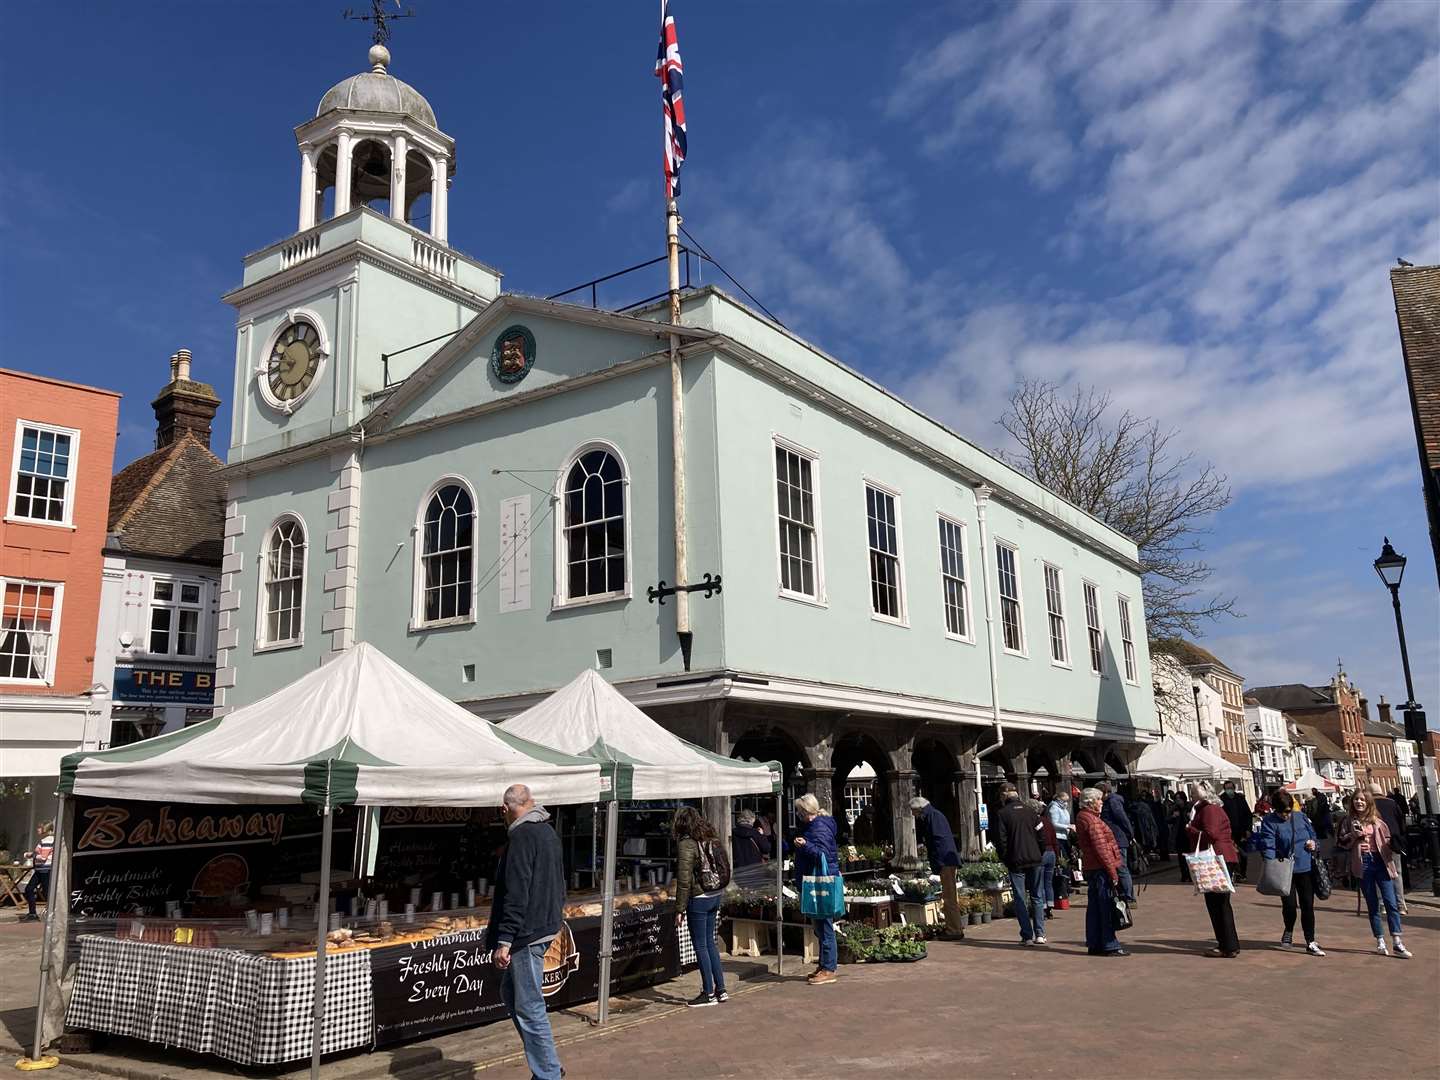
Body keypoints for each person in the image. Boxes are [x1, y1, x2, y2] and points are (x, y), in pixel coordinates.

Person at [486, 784, 565, 1080]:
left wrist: (505, 940)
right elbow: (559, 879)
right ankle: (547, 1062)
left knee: (530, 1006)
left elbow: (516, 893)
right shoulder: (548, 831)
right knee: (511, 993)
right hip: (544, 924)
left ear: (505, 809)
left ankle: (548, 1073)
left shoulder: (520, 837)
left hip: (526, 932)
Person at [1337, 791, 1411, 958]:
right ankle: (1380, 940)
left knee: (1391, 903)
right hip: (1364, 863)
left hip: (1380, 862)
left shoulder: (1378, 822)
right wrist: (1353, 836)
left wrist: (1393, 844)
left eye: (1362, 799)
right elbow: (1341, 842)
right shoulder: (1348, 821)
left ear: (1368, 802)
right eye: (1356, 799)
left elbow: (1388, 839)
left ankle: (1397, 941)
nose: (1359, 802)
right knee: (1372, 905)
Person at [674, 806, 728, 1006]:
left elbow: (684, 879)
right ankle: (720, 989)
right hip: (715, 893)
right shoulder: (710, 837)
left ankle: (708, 993)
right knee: (710, 943)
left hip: (699, 897)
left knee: (701, 946)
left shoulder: (687, 844)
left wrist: (679, 909)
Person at [1259, 789, 1324, 956]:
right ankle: (1288, 929)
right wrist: (1271, 864)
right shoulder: (1269, 821)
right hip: (1284, 869)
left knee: (1307, 905)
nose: (1285, 815)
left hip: (1305, 866)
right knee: (1289, 905)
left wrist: (1313, 844)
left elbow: (1314, 836)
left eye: (1288, 811)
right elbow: (1268, 844)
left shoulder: (1300, 817)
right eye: (1282, 812)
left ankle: (1310, 940)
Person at [1186, 781, 1241, 958]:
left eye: (1194, 792)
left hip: (1217, 857)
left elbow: (1212, 834)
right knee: (1219, 903)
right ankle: (1227, 943)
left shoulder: (1210, 809)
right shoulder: (1210, 808)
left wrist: (1191, 829)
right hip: (1221, 855)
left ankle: (1228, 945)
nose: (1191, 795)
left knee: (1218, 904)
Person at [792, 792, 840, 985]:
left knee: (825, 926)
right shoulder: (815, 826)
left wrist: (804, 846)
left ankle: (829, 968)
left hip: (821, 882)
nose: (796, 814)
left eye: (798, 810)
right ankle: (824, 965)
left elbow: (821, 854)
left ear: (805, 811)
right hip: (816, 881)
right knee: (820, 926)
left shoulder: (818, 828)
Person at [1075, 787, 1127, 956]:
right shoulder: (1091, 820)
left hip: (1093, 867)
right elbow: (1101, 849)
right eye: (1099, 800)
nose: (1101, 802)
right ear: (1091, 802)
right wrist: (1112, 872)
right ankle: (1109, 944)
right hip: (1099, 868)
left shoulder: (1085, 817)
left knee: (1096, 907)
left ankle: (1095, 942)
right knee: (1105, 907)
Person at [993, 783, 1047, 945]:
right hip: (1035, 858)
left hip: (1015, 860)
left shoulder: (1002, 814)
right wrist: (1039, 851)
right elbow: (1041, 835)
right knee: (1037, 896)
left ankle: (1027, 935)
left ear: (1004, 795)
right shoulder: (1031, 811)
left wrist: (1005, 857)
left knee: (1020, 898)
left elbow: (1001, 840)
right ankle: (1040, 933)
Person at [909, 796, 964, 937]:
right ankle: (954, 927)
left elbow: (940, 841)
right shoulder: (933, 816)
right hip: (946, 861)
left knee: (949, 897)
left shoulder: (934, 816)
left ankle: (954, 930)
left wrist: (938, 863)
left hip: (946, 861)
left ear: (919, 809)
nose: (913, 815)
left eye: (913, 811)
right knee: (949, 896)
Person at [1371, 784, 1408, 911]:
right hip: (1393, 842)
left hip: (1377, 843)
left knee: (1379, 874)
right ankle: (1401, 904)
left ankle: (1383, 905)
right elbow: (1402, 822)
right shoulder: (1392, 803)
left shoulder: (1370, 805)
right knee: (1397, 873)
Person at [1099, 781, 1135, 902]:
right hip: (1114, 838)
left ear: (1105, 792)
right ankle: (1124, 894)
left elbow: (1123, 819)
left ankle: (1129, 896)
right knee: (1118, 867)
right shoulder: (1109, 801)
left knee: (1121, 867)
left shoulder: (1113, 801)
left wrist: (1130, 834)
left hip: (1118, 839)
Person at [1031, 799, 1060, 918]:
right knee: (1048, 882)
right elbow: (1054, 839)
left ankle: (1042, 908)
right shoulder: (1047, 822)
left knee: (1040, 883)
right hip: (1051, 852)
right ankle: (1050, 907)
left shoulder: (1034, 822)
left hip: (1041, 853)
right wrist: (1057, 856)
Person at [1220, 781, 1253, 883]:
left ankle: (1242, 873)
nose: (1229, 790)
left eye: (1230, 788)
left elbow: (1248, 814)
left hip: (1242, 831)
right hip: (1229, 833)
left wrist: (1248, 829)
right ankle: (1235, 873)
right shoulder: (1221, 800)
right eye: (1227, 788)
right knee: (1232, 854)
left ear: (1234, 788)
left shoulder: (1240, 799)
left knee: (1243, 855)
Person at [1046, 789, 1075, 903]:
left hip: (1065, 836)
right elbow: (1053, 823)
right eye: (1064, 800)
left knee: (1067, 861)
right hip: (1058, 837)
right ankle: (1062, 885)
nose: (1066, 803)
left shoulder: (1063, 808)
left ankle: (1066, 884)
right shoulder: (1054, 808)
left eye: (1067, 801)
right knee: (1062, 861)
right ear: (1059, 799)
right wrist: (1067, 826)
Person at [21, 823, 53, 923]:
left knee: (46, 893)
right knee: (29, 889)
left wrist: (29, 855)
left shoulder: (47, 841)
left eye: (39, 827)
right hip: (40, 870)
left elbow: (43, 857)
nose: (37, 829)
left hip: (45, 870)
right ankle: (32, 913)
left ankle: (51, 914)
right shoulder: (46, 840)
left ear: (46, 829)